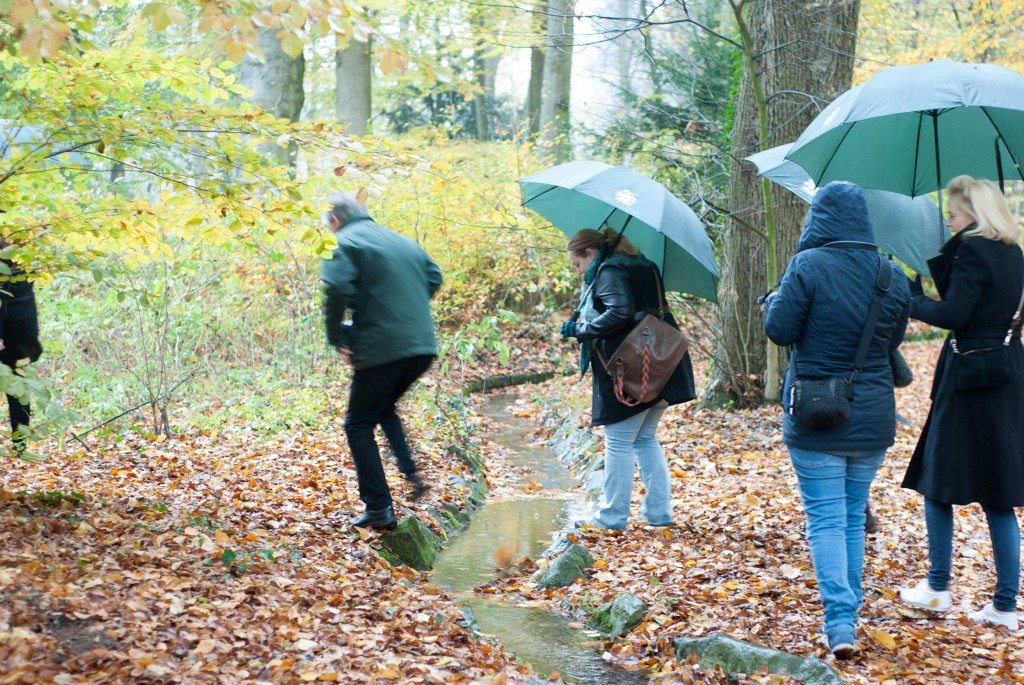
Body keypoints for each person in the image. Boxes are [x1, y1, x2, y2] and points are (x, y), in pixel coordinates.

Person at [764, 181, 910, 658]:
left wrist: (776, 300)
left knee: (827, 519)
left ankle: (840, 623)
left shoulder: (807, 265)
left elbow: (779, 329)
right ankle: (847, 618)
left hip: (817, 414)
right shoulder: (891, 274)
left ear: (818, 219)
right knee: (850, 516)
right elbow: (891, 341)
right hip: (872, 418)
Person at [898, 176, 1023, 631]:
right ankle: (1005, 606)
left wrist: (913, 300)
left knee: (938, 481)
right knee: (998, 493)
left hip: (969, 377)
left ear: (973, 212)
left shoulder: (972, 250)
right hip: (1005, 372)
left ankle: (937, 586)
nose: (948, 219)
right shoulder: (1012, 251)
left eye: (952, 212)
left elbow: (954, 314)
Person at [560, 227, 695, 531]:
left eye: (578, 264)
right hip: (663, 361)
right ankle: (658, 513)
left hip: (631, 367)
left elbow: (620, 311)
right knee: (645, 439)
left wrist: (582, 330)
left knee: (619, 442)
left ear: (590, 252)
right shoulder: (645, 265)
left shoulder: (609, 270)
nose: (578, 271)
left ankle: (611, 517)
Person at [322, 193, 443, 530]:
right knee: (383, 407)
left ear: (336, 220)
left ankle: (378, 508)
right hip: (421, 347)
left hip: (383, 347)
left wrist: (338, 338)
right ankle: (411, 474)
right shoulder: (402, 240)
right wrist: (405, 308)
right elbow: (434, 277)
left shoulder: (344, 242)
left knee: (357, 424)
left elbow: (336, 289)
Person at [0, 260, 43, 454]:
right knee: (18, 390)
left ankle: (20, 446)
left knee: (17, 390)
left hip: (11, 333)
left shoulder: (6, 262)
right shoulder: (26, 257)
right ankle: (20, 447)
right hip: (24, 332)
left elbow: (2, 298)